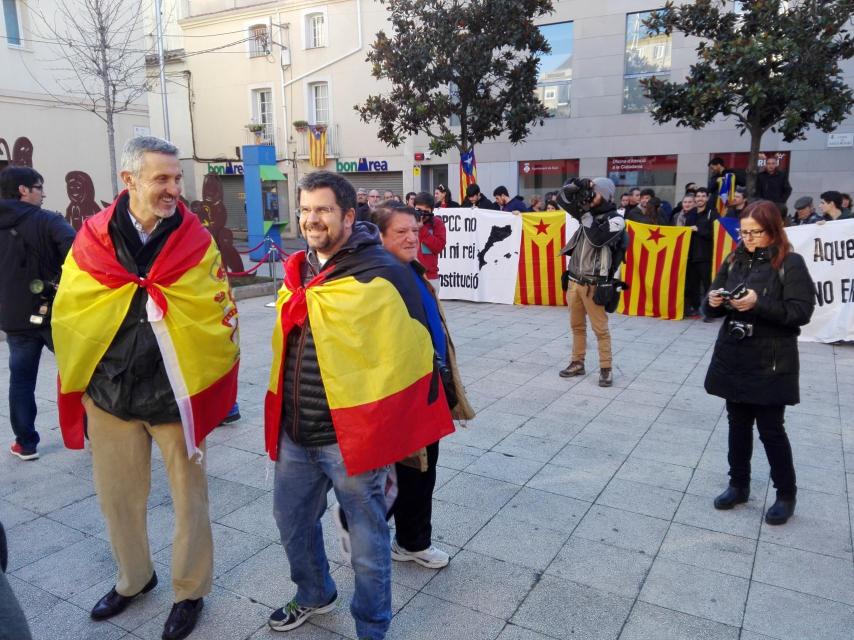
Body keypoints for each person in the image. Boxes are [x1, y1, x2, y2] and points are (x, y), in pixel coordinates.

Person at [51, 136, 240, 640]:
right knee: (117, 499)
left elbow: (216, 313)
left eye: (178, 179)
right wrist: (86, 380)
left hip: (174, 397)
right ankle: (134, 579)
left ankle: (190, 590)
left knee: (189, 502)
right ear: (129, 180)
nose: (174, 189)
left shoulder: (195, 239)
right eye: (162, 179)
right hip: (110, 394)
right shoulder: (91, 236)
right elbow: (72, 308)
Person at [264, 171, 453, 639]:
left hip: (350, 435)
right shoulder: (298, 270)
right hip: (295, 430)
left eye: (323, 209)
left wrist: (412, 416)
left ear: (348, 215)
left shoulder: (381, 271)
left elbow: (414, 347)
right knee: (291, 521)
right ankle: (313, 593)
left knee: (368, 541)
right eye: (306, 209)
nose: (312, 219)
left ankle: (371, 625)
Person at [342, 203, 474, 570]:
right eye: (401, 232)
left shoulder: (410, 270)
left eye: (415, 230)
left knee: (421, 470)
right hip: (401, 396)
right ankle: (390, 541)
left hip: (427, 388)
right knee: (405, 473)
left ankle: (408, 540)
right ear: (379, 236)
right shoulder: (375, 280)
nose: (413, 238)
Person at [703, 200, 815, 526]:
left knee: (771, 429)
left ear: (773, 230)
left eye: (755, 232)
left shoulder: (789, 263)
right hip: (735, 354)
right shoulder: (735, 258)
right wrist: (713, 302)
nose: (748, 238)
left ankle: (785, 494)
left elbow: (800, 312)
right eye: (744, 231)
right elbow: (712, 304)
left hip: (771, 359)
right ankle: (738, 484)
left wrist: (758, 303)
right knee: (737, 424)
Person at [0, 166, 75, 460]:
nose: (43, 193)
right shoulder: (48, 221)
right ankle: (92, 431)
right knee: (80, 373)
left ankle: (26, 443)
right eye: (39, 187)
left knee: (21, 380)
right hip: (56, 311)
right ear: (23, 190)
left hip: (15, 317)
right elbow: (81, 253)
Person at [558, 178, 625, 387]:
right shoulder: (587, 213)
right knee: (576, 326)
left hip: (594, 284)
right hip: (575, 281)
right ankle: (577, 362)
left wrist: (585, 212)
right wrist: (575, 185)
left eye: (593, 193)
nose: (589, 196)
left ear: (605, 195)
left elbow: (597, 238)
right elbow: (562, 198)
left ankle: (606, 368)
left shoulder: (616, 219)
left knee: (600, 330)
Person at [681, 187, 719, 319]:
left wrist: (698, 229)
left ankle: (710, 311)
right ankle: (696, 309)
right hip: (691, 256)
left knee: (708, 284)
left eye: (703, 196)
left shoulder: (713, 214)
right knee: (693, 285)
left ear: (707, 198)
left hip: (705, 256)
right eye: (698, 196)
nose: (700, 198)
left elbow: (715, 234)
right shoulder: (690, 214)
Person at [413, 192, 446, 294]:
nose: (422, 214)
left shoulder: (437, 223)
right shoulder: (407, 221)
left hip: (430, 276)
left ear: (432, 210)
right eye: (418, 210)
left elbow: (439, 247)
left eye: (425, 211)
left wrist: (422, 229)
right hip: (410, 274)